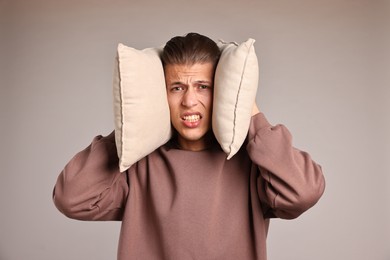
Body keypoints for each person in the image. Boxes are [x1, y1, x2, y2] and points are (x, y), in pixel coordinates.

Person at [53, 32, 325, 260]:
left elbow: (302, 192)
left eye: (203, 86)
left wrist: (249, 110)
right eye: (177, 88)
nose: (189, 101)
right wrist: (132, 125)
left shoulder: (251, 163)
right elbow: (71, 199)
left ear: (220, 89)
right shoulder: (140, 164)